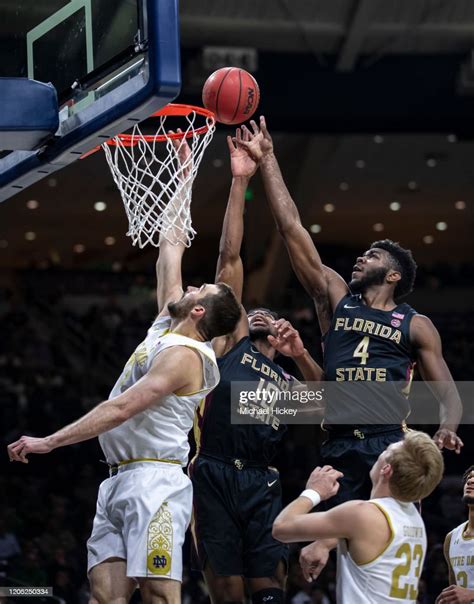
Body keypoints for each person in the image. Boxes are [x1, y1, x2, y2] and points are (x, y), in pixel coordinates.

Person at [7, 137, 242, 604]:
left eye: (200, 288)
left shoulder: (186, 357)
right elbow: (171, 244)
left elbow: (121, 409)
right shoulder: (166, 325)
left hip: (155, 482)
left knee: (158, 594)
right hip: (117, 477)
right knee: (105, 598)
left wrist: (50, 440)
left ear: (198, 312)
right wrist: (185, 174)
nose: (190, 284)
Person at [235, 116, 464, 579]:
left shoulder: (415, 324)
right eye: (363, 255)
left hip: (388, 447)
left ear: (394, 275)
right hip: (338, 444)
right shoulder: (336, 298)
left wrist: (448, 426)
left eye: (373, 257)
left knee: (384, 558)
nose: (362, 258)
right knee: (314, 555)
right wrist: (269, 161)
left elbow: (449, 394)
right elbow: (292, 229)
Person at [189, 127, 323, 604]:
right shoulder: (232, 345)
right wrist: (238, 182)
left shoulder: (286, 379)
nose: (262, 313)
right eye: (255, 312)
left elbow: (331, 404)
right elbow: (230, 258)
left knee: (270, 594)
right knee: (227, 593)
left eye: (273, 314)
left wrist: (301, 353)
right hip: (215, 471)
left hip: (262, 479)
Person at [272, 430, 444, 603]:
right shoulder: (415, 520)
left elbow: (281, 528)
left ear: (386, 469)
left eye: (386, 450)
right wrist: (325, 543)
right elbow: (370, 537)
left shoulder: (363, 514)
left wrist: (314, 491)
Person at [436, 465, 474, 604]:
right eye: (469, 478)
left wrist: (472, 595)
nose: (470, 481)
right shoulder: (451, 537)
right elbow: (454, 590)